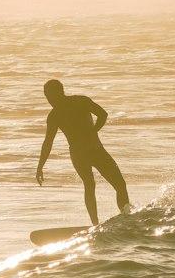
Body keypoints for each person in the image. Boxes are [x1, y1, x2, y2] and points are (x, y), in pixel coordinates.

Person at [35, 79, 132, 225]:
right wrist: (40, 167)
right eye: (47, 97)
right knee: (90, 184)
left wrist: (94, 130)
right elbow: (48, 143)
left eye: (51, 96)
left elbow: (103, 114)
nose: (49, 100)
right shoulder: (54, 116)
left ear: (61, 92)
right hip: (80, 154)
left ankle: (126, 217)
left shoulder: (81, 101)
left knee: (119, 184)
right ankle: (95, 224)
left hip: (95, 150)